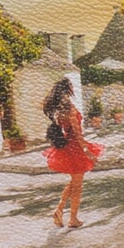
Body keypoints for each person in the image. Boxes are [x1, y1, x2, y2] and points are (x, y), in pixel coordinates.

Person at [42, 78, 102, 228]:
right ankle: (72, 219)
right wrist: (87, 151)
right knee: (77, 186)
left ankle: (59, 210)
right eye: (71, 87)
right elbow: (77, 133)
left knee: (74, 182)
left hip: (68, 147)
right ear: (67, 89)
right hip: (76, 148)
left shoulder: (60, 111)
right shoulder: (70, 109)